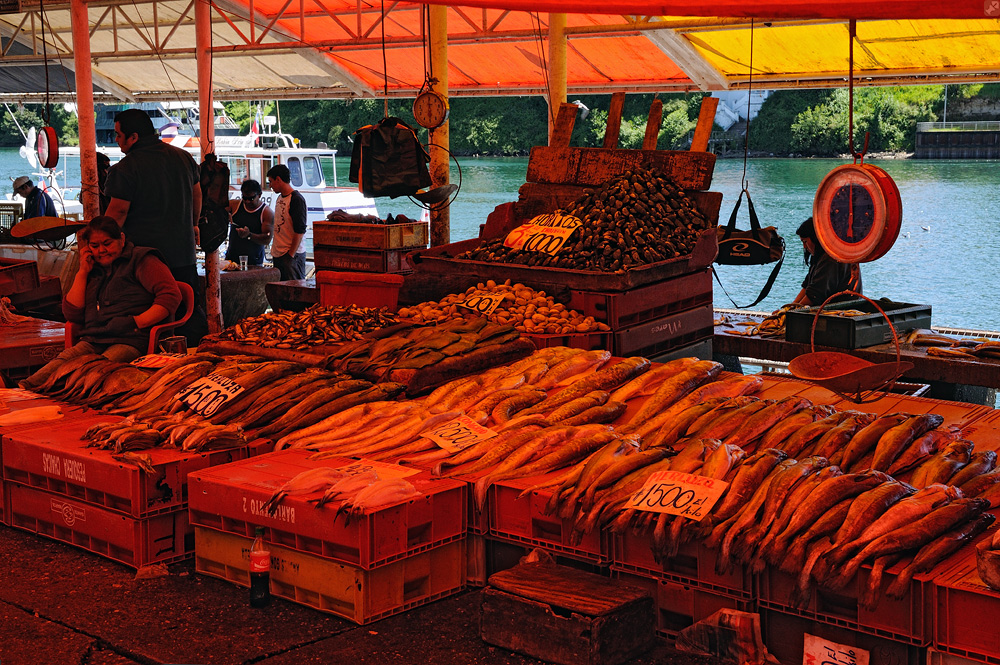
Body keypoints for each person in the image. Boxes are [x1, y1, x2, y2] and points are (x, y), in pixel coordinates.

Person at [19, 216, 181, 391]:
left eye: (107, 243)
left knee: (95, 372)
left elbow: (171, 295)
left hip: (131, 340)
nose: (101, 250)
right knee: (60, 364)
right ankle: (21, 392)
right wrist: (83, 272)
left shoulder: (142, 260)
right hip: (94, 338)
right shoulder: (92, 267)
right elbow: (72, 313)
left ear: (122, 239)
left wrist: (137, 322)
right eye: (95, 246)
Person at [104, 108, 207, 344]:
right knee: (188, 312)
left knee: (153, 318)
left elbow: (117, 213)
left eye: (119, 135)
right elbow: (197, 195)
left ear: (134, 137)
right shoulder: (184, 158)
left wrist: (103, 245)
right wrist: (194, 225)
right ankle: (197, 352)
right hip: (183, 254)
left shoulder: (125, 169)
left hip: (145, 260)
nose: (116, 140)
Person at [792, 217, 862, 306]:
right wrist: (790, 307)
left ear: (815, 238)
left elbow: (814, 295)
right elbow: (807, 286)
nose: (804, 247)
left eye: (805, 241)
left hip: (842, 310)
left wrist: (792, 311)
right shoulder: (821, 256)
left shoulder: (830, 259)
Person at [266, 164, 307, 281]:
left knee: (294, 287)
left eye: (271, 181)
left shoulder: (296, 199)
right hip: (279, 253)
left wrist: (291, 255)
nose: (270, 185)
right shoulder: (280, 197)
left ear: (278, 179)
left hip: (291, 255)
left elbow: (300, 230)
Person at [226, 179, 273, 267]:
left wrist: (249, 235)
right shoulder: (234, 205)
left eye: (251, 199)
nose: (247, 202)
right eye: (244, 198)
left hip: (254, 261)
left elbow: (267, 239)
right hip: (232, 258)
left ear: (259, 195)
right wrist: (224, 216)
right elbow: (216, 210)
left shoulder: (266, 213)